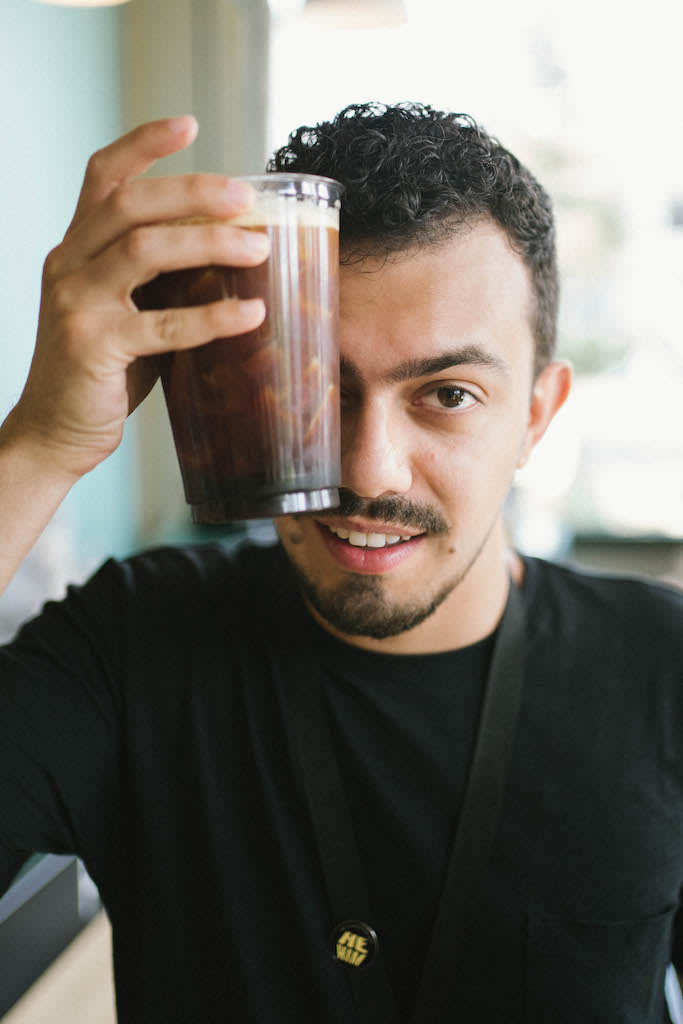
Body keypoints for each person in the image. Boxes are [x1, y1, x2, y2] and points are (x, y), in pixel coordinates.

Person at [0, 102, 681, 1024]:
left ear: (535, 414)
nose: (367, 470)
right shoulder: (133, 641)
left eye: (446, 394)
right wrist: (40, 443)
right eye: (316, 386)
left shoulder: (661, 668)